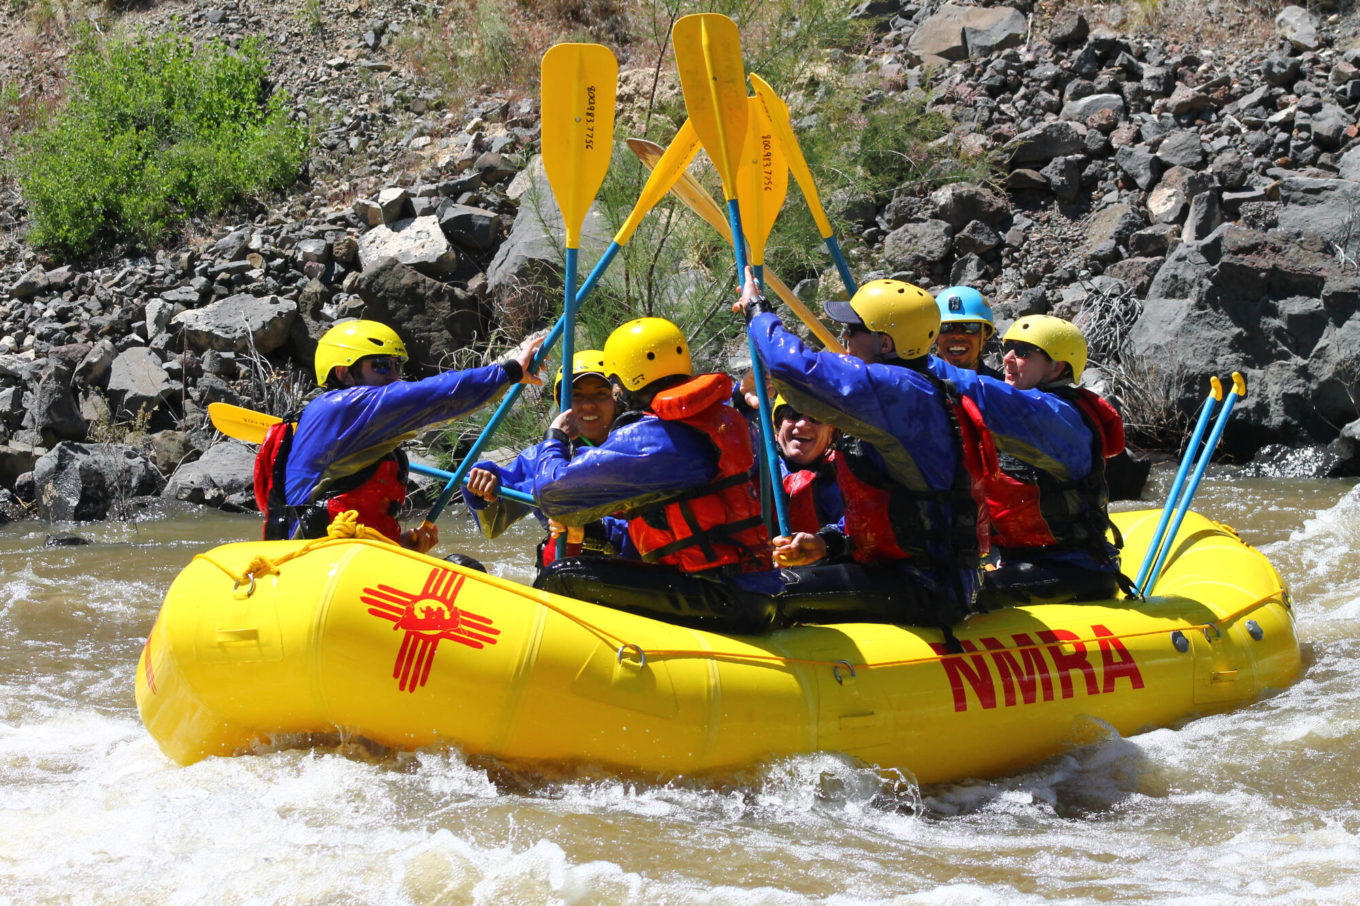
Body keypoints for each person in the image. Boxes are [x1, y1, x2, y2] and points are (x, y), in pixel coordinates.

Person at [737, 271, 994, 634]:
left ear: (885, 344)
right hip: (908, 573)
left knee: (760, 591)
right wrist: (828, 542)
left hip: (926, 583)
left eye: (853, 331)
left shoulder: (898, 390)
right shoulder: (910, 390)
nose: (844, 339)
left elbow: (795, 369)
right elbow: (895, 509)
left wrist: (757, 310)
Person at [529, 317, 779, 631]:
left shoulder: (655, 438)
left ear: (622, 383)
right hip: (751, 586)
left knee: (561, 576)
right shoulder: (724, 418)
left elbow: (554, 496)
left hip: (717, 595)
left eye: (612, 383)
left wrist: (555, 439)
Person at [259, 319, 542, 551]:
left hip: (348, 560)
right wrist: (509, 371)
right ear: (344, 373)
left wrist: (401, 546)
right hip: (309, 559)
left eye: (397, 366)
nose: (394, 376)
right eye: (381, 365)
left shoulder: (369, 434)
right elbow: (436, 396)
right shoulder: (341, 408)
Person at [930, 314, 1130, 608]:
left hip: (1074, 569)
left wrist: (908, 360)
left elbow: (977, 391)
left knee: (952, 593)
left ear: (1057, 367)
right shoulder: (1025, 412)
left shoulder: (1056, 416)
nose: (1008, 359)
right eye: (1008, 348)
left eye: (1023, 352)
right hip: (1021, 561)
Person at [464, 349, 635, 564]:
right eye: (576, 395)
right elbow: (493, 524)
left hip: (627, 567)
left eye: (600, 393)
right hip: (565, 565)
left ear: (617, 401)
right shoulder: (543, 458)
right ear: (562, 402)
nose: (588, 404)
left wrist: (595, 529)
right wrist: (482, 486)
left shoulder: (638, 450)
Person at [771, 395, 842, 536]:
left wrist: (827, 541)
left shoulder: (845, 481)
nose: (802, 424)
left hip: (826, 556)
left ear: (831, 433)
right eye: (793, 413)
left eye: (816, 416)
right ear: (779, 424)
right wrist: (741, 399)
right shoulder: (753, 461)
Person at [934, 286, 1001, 378]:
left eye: (969, 326)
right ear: (934, 336)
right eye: (946, 326)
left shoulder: (1002, 388)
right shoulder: (916, 386)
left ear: (984, 336)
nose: (957, 335)